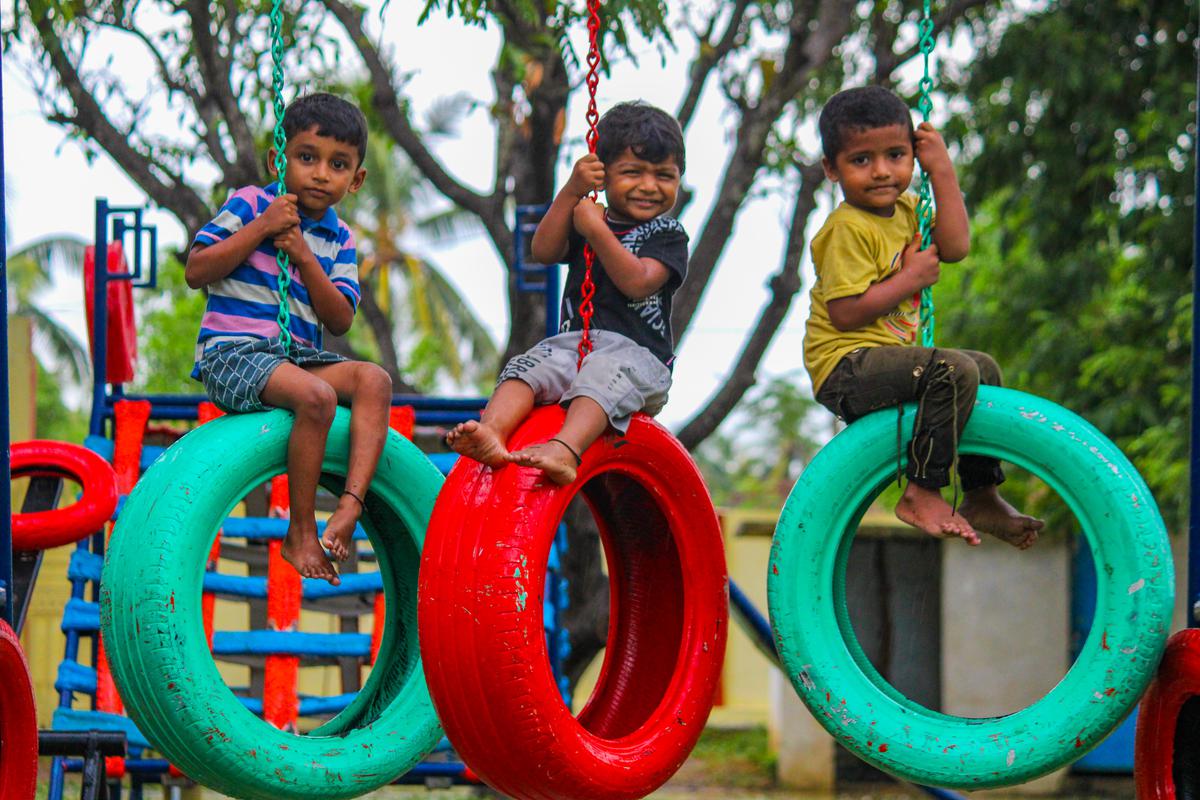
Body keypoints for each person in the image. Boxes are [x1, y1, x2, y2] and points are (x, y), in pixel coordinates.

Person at [804, 85, 1043, 548]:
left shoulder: (911, 209)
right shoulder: (846, 229)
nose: (881, 172)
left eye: (896, 155)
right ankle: (922, 490)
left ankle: (981, 492)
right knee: (954, 370)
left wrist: (942, 172)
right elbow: (846, 312)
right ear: (831, 169)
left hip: (889, 361)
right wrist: (909, 278)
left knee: (984, 368)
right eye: (861, 160)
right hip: (847, 367)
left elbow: (955, 248)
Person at [185, 93, 391, 584]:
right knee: (317, 397)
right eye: (307, 158)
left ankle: (348, 507)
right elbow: (196, 270)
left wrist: (303, 254)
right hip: (231, 354)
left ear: (356, 179)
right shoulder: (252, 203)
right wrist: (262, 227)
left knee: (375, 380)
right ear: (281, 159)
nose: (321, 173)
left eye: (338, 165)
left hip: (292, 357)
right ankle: (299, 531)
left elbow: (339, 318)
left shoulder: (339, 239)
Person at [447, 100, 688, 485]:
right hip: (575, 345)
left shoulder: (667, 234)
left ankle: (565, 449)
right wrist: (571, 192)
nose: (649, 186)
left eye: (665, 175)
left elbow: (638, 280)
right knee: (526, 367)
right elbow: (542, 251)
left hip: (639, 360)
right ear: (603, 175)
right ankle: (492, 430)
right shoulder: (586, 213)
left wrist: (596, 232)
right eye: (632, 172)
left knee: (600, 373)